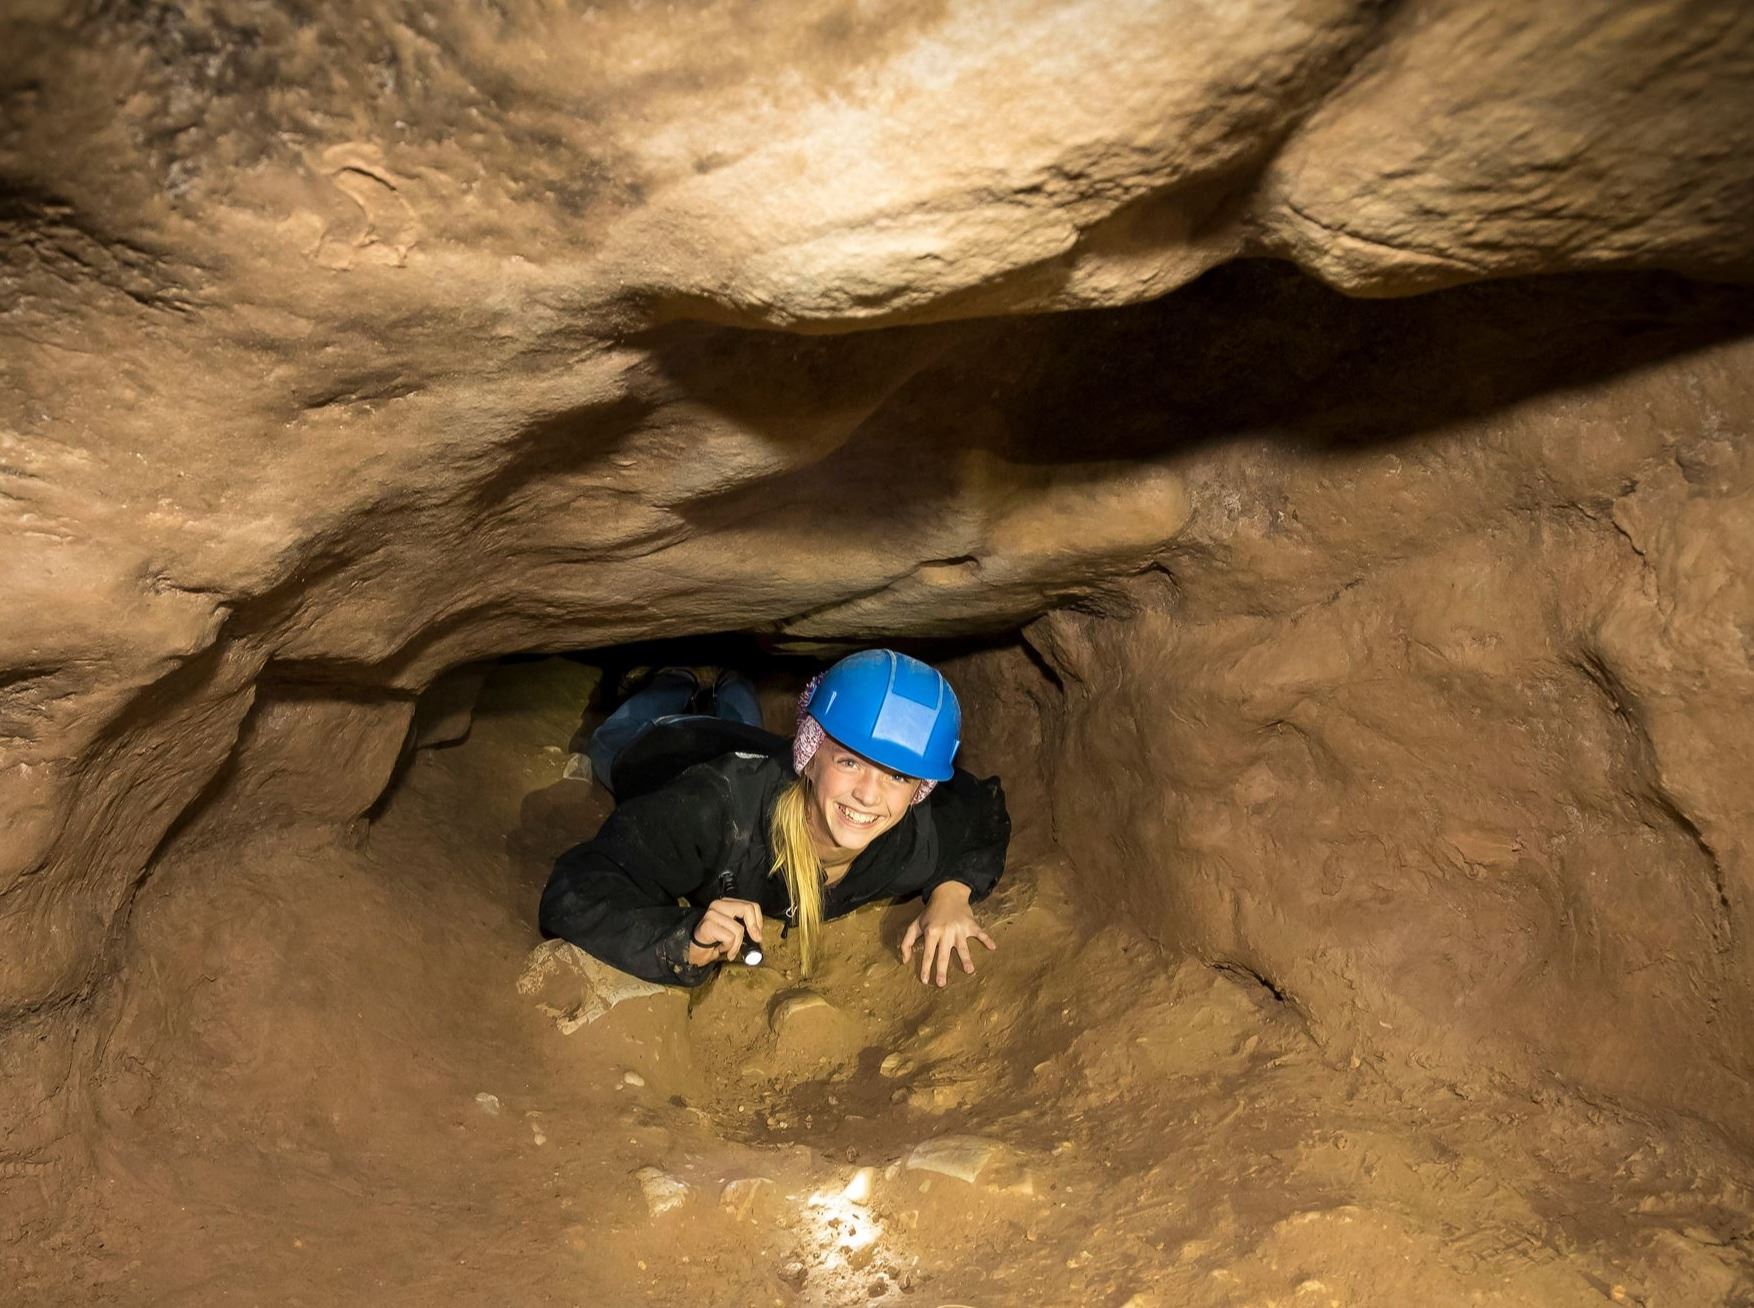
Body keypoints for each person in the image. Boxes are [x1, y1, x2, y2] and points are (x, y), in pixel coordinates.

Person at [539, 649, 1009, 988]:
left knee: (743, 727)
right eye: (850, 762)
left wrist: (952, 892)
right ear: (811, 756)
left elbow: (982, 808)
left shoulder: (908, 841)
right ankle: (674, 677)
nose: (869, 796)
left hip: (753, 747)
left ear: (919, 792)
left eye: (898, 776)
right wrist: (682, 940)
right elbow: (577, 888)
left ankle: (733, 677)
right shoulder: (712, 812)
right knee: (612, 745)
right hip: (667, 751)